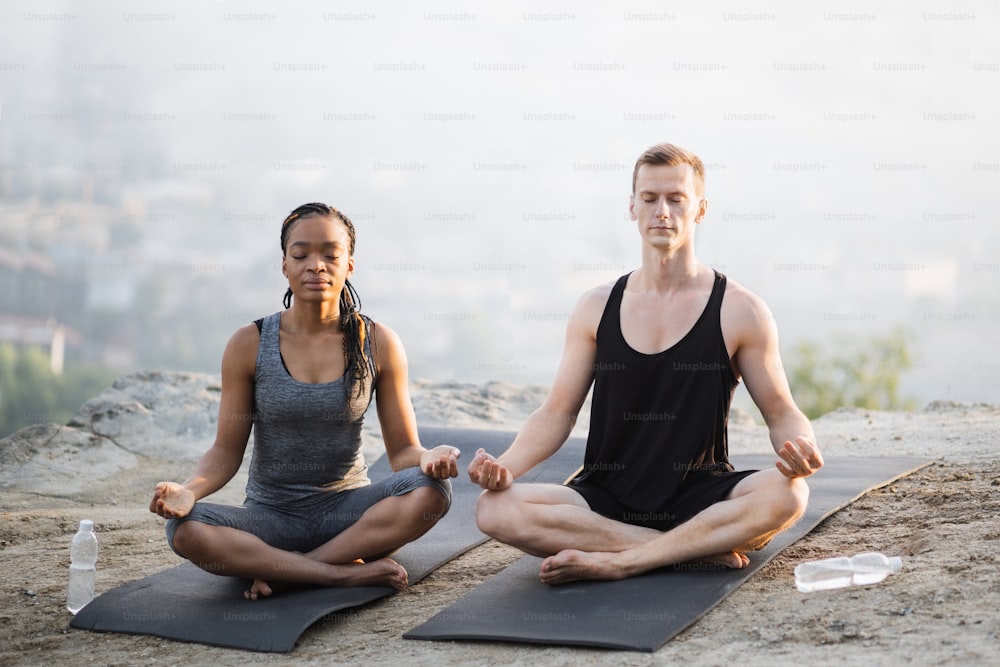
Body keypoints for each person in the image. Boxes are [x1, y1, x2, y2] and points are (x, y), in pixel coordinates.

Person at [468, 143, 823, 585]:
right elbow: (557, 413)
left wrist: (801, 445)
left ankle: (623, 560)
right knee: (493, 508)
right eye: (650, 198)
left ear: (700, 210)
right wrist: (507, 467)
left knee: (788, 494)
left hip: (701, 494)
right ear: (632, 206)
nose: (662, 211)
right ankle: (688, 550)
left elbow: (781, 412)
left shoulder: (741, 310)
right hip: (606, 495)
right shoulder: (595, 307)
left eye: (676, 199)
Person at [150, 202, 460, 598]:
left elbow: (403, 451)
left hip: (352, 519)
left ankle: (288, 573)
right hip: (271, 521)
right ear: (284, 264)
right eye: (301, 255)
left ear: (349, 265)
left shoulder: (378, 342)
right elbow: (225, 452)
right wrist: (190, 490)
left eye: (330, 255)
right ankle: (338, 574)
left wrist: (429, 458)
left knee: (432, 491)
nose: (316, 265)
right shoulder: (249, 343)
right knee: (184, 529)